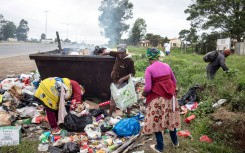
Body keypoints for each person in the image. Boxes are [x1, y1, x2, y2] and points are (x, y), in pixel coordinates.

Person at [142, 48, 181, 152]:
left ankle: (159, 147)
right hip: (170, 98)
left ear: (149, 57)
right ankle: (175, 142)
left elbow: (147, 88)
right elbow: (174, 81)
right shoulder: (167, 66)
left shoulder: (149, 69)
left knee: (156, 121)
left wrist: (143, 95)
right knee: (170, 119)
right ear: (158, 56)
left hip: (157, 99)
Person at [102, 45, 135, 117]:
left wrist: (123, 78)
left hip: (124, 83)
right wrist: (104, 53)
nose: (119, 54)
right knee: (113, 98)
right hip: (116, 81)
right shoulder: (117, 55)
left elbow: (132, 73)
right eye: (119, 53)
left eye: (121, 53)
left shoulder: (129, 61)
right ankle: (109, 115)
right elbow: (111, 53)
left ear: (125, 52)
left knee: (127, 98)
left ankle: (128, 115)